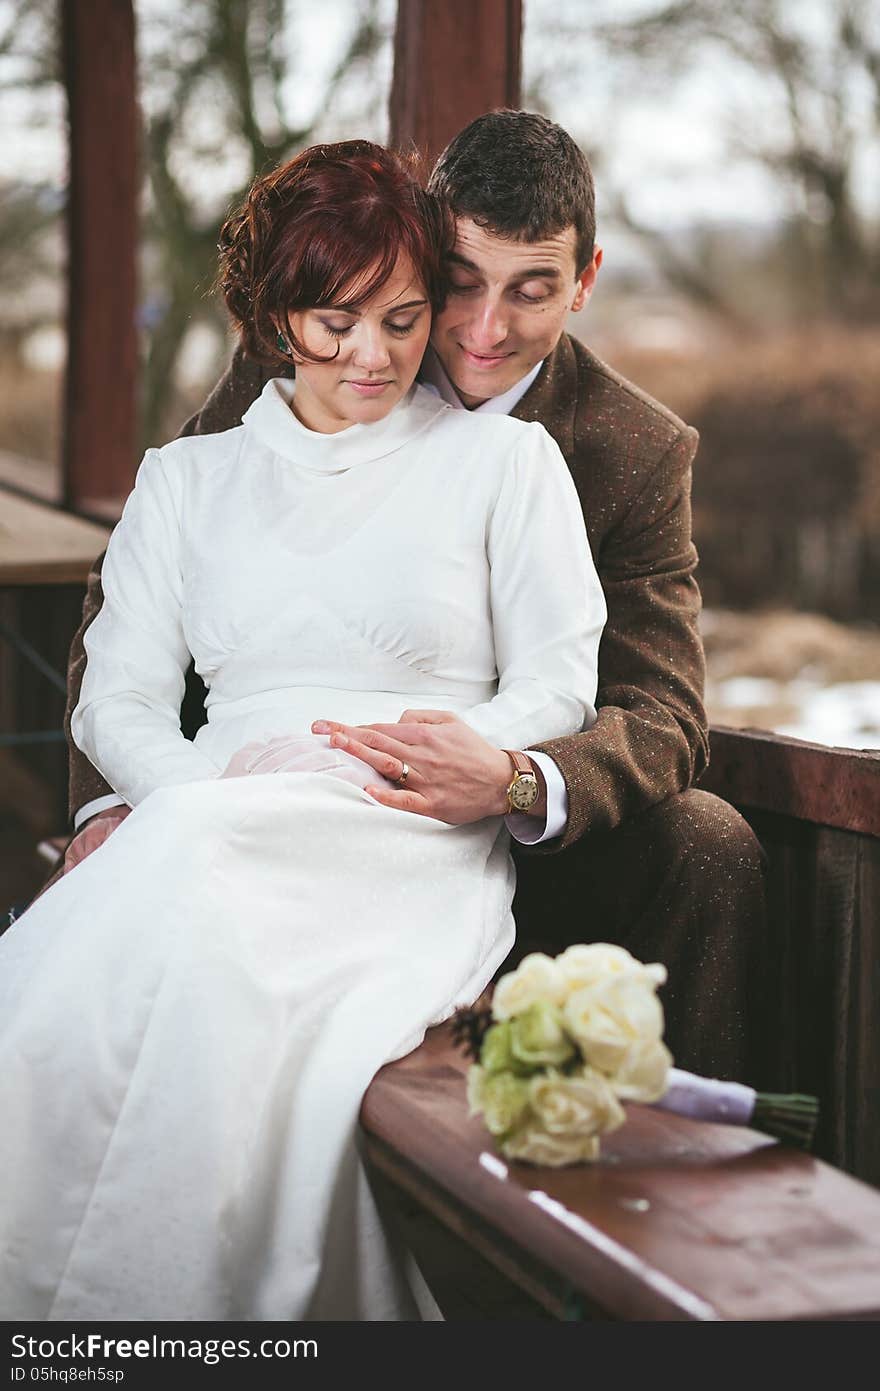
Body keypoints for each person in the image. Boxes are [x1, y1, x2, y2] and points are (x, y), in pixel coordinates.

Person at [0, 141, 606, 1320]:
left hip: (398, 825)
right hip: (210, 812)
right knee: (106, 978)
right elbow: (116, 696)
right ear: (275, 315)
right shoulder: (187, 480)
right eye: (335, 320)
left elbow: (557, 679)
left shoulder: (503, 461)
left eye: (402, 318)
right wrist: (188, 792)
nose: (372, 356)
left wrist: (425, 752)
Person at [62, 110, 769, 1086]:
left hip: (505, 809)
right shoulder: (307, 354)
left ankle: (689, 1152)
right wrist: (126, 801)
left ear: (585, 280)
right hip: (257, 789)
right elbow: (160, 589)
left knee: (707, 841)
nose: (484, 329)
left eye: (532, 291)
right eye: (461, 284)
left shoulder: (629, 449)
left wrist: (513, 777)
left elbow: (660, 712)